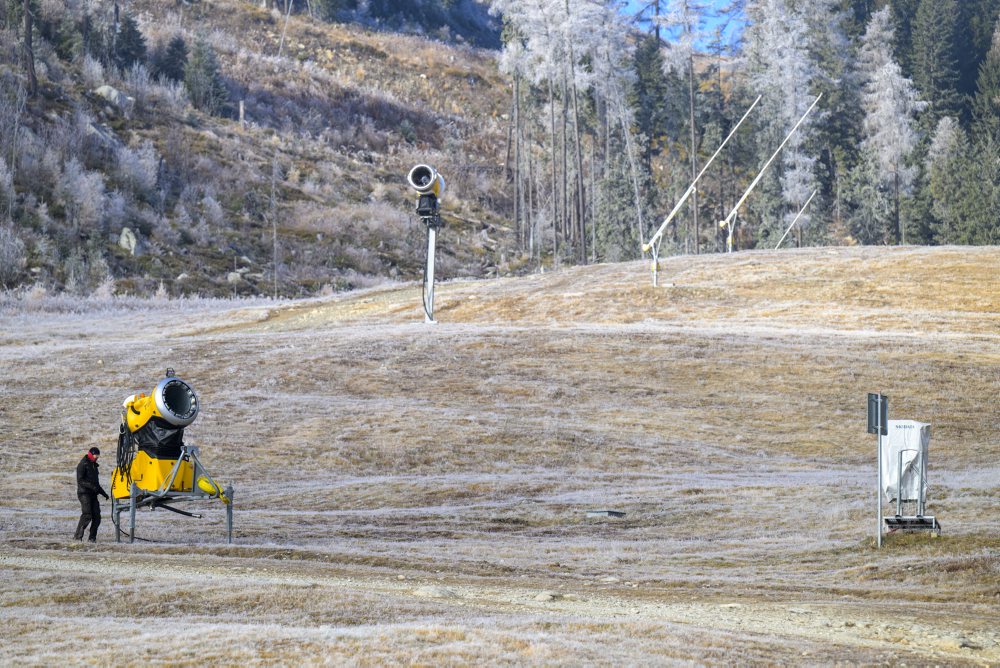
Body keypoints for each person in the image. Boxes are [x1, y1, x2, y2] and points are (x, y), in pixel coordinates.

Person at [74, 447, 109, 542]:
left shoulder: (94, 465)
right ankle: (77, 537)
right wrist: (92, 487)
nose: (97, 458)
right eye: (95, 456)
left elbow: (96, 484)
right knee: (87, 514)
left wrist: (103, 493)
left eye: (98, 456)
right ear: (90, 454)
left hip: (93, 494)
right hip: (84, 493)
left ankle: (92, 538)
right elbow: (80, 480)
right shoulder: (83, 464)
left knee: (97, 517)